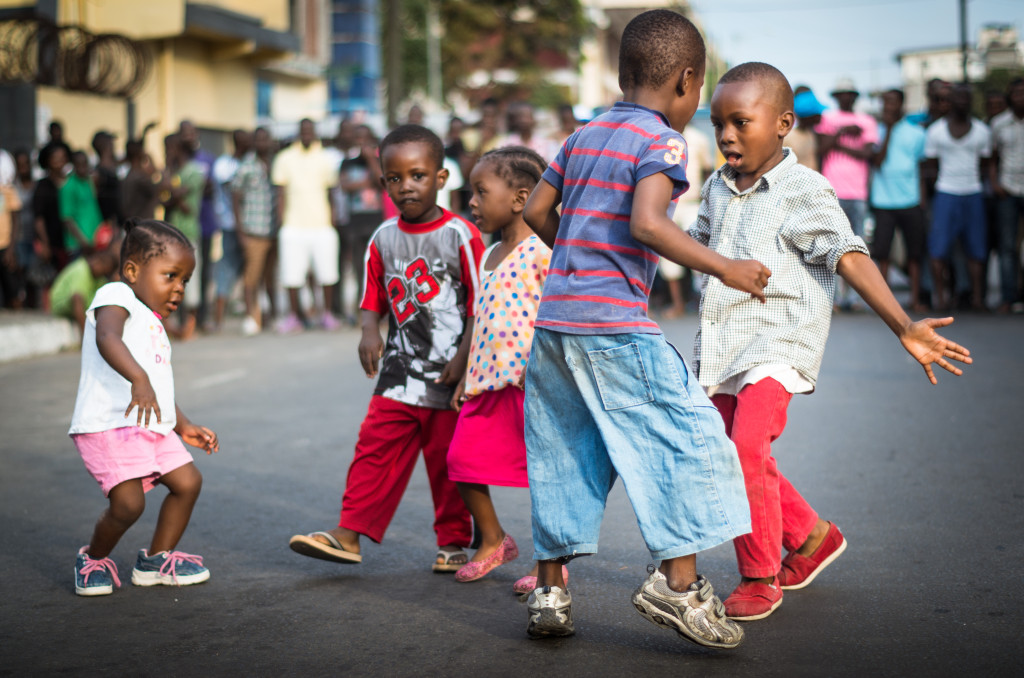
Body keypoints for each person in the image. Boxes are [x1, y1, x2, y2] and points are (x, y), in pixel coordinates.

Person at [520, 10, 769, 647]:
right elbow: (648, 224)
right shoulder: (662, 141)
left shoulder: (584, 134)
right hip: (612, 325)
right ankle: (677, 586)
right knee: (686, 436)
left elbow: (537, 209)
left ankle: (550, 590)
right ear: (688, 81)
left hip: (554, 323)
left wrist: (578, 256)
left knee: (563, 454)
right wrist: (728, 269)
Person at [693, 62, 972, 621]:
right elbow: (694, 247)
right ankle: (813, 537)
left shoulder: (804, 188)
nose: (726, 135)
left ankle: (759, 573)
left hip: (779, 341)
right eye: (720, 123)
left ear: (783, 124)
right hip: (725, 344)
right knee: (732, 453)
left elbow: (848, 254)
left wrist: (903, 324)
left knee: (748, 446)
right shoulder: (717, 188)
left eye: (741, 122)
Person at [288, 124, 482, 573]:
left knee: (444, 458)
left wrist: (463, 360)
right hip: (399, 368)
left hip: (450, 371)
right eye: (395, 178)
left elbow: (479, 305)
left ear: (441, 177)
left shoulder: (460, 235)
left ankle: (453, 541)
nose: (406, 186)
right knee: (374, 447)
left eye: (417, 175)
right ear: (383, 184)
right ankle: (348, 535)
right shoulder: (382, 238)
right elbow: (372, 295)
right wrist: (368, 331)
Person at [68, 218, 219, 596]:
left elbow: (157, 385)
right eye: (170, 276)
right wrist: (138, 379)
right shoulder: (115, 295)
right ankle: (93, 560)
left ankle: (155, 560)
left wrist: (182, 425)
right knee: (128, 504)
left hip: (150, 423)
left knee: (188, 482)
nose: (179, 289)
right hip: (108, 424)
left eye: (184, 280)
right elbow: (107, 337)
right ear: (133, 271)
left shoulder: (152, 322)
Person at [445, 146, 563, 591]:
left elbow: (557, 311)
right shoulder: (489, 253)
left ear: (520, 198)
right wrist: (464, 373)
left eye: (480, 191)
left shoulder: (541, 249)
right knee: (461, 460)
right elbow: (480, 318)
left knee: (544, 476)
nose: (471, 201)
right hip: (486, 382)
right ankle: (493, 538)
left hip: (531, 383)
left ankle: (550, 561)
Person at [923, 82, 992, 311]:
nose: (962, 101)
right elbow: (930, 166)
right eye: (958, 98)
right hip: (946, 193)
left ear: (971, 102)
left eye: (967, 98)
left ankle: (977, 299)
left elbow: (984, 164)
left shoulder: (982, 131)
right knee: (938, 249)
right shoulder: (936, 131)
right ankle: (940, 299)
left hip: (973, 192)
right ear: (950, 102)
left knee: (976, 249)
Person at [272, 119, 342, 332]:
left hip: (321, 224)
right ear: (298, 133)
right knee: (291, 275)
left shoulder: (325, 158)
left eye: (310, 130)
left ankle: (327, 314)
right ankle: (294, 316)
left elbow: (331, 191)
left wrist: (332, 217)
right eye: (303, 130)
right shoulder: (284, 158)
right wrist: (281, 221)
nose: (307, 134)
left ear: (315, 133)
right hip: (293, 224)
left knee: (328, 273)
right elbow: (280, 193)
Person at [817, 77, 879, 310]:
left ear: (855, 97)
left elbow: (866, 154)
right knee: (830, 245)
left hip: (858, 192)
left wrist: (837, 141)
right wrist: (842, 131)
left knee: (857, 248)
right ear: (835, 97)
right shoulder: (827, 119)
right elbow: (822, 149)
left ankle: (853, 298)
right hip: (832, 190)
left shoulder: (866, 121)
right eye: (841, 94)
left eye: (849, 94)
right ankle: (832, 298)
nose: (845, 97)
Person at [871, 89, 928, 312]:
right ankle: (884, 303)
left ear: (902, 105)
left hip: (910, 200)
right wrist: (889, 131)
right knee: (882, 253)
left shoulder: (917, 133)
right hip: (883, 200)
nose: (888, 107)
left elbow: (923, 169)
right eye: (885, 102)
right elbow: (877, 161)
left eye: (892, 102)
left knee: (914, 254)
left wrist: (922, 200)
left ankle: (915, 298)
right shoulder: (876, 131)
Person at [658, 123, 713, 318]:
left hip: (692, 202)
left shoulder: (698, 139)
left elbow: (707, 170)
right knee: (668, 256)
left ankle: (704, 302)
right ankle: (678, 303)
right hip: (669, 204)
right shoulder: (660, 138)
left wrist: (708, 201)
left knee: (699, 251)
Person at [232, 127, 276, 335]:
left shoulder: (276, 163)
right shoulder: (247, 166)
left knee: (270, 277)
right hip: (254, 231)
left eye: (266, 139)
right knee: (252, 277)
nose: (263, 143)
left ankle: (271, 316)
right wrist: (240, 231)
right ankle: (251, 317)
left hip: (274, 229)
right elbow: (235, 196)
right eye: (259, 140)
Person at [162, 133, 204, 339]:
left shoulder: (193, 172)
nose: (166, 153)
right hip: (170, 235)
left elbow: (183, 204)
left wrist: (169, 186)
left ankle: (191, 322)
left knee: (190, 280)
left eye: (169, 149)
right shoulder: (173, 173)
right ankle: (174, 324)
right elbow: (165, 200)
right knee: (171, 279)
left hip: (188, 234)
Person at [208, 129, 251, 333]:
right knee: (226, 270)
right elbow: (231, 187)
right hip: (230, 226)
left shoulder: (251, 163)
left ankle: (254, 315)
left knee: (252, 271)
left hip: (252, 227)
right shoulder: (224, 164)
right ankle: (218, 320)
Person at [990, 78, 1024, 312]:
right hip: (1008, 190)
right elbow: (991, 158)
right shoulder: (999, 124)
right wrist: (995, 183)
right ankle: (1008, 297)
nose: (1020, 97)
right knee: (1007, 246)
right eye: (1016, 93)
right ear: (1009, 96)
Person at [49, 247, 119, 336]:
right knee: (78, 299)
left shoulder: (99, 278)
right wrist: (86, 335)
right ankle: (85, 335)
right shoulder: (82, 269)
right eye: (101, 262)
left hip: (83, 304)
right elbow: (76, 298)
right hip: (60, 304)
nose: (99, 266)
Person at [60, 151, 104, 258]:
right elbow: (67, 219)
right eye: (79, 165)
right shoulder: (68, 187)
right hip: (78, 246)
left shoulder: (88, 182)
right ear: (74, 166)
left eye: (85, 164)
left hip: (94, 243)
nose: (83, 168)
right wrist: (83, 242)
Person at [121, 136, 160, 222]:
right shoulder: (140, 178)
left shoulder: (128, 176)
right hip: (143, 225)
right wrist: (151, 160)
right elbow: (158, 187)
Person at [789, 89, 826, 172]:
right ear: (808, 116)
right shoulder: (788, 137)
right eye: (817, 113)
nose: (820, 116)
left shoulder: (811, 134)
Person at [92, 131, 122, 228]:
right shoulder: (98, 173)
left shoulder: (114, 166)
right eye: (111, 143)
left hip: (117, 221)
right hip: (107, 224)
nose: (114, 146)